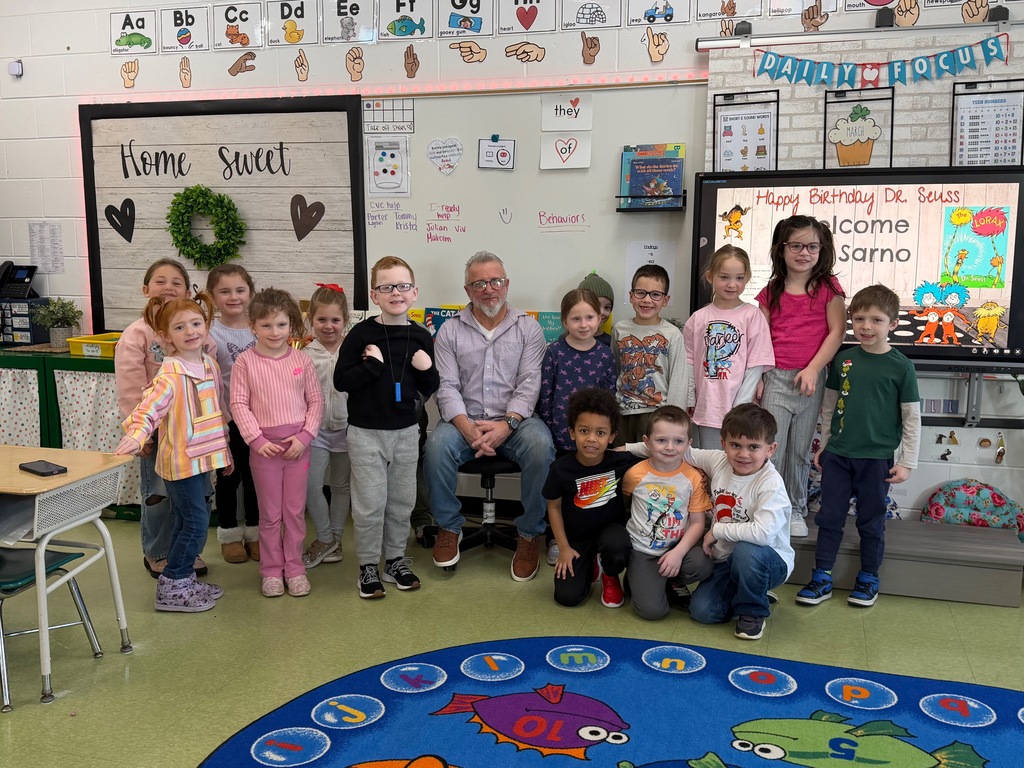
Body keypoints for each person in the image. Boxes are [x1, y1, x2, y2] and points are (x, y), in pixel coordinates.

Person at [424, 250, 555, 581]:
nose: (489, 289)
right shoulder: (449, 331)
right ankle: (448, 527)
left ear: (507, 284)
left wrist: (506, 425)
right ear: (467, 290)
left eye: (495, 281)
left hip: (516, 422)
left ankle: (528, 535)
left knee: (542, 447)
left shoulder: (529, 329)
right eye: (479, 283)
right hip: (463, 421)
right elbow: (447, 388)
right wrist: (468, 429)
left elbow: (529, 386)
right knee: (436, 446)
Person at [796, 285, 920, 608]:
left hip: (876, 460)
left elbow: (911, 419)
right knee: (829, 516)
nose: (866, 326)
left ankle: (868, 577)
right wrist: (823, 444)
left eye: (876, 320)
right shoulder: (844, 360)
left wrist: (907, 462)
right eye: (860, 318)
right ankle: (821, 576)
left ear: (892, 323)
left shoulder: (901, 367)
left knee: (871, 520)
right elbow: (829, 406)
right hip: (838, 455)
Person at [115, 293, 230, 613]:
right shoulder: (170, 375)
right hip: (181, 463)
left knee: (189, 518)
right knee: (195, 522)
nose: (191, 331)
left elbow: (214, 414)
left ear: (206, 326)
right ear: (166, 337)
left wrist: (225, 453)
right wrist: (136, 436)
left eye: (196, 323)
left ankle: (182, 578)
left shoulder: (207, 363)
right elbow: (147, 411)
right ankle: (174, 582)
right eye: (180, 327)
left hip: (204, 459)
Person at [336, 257, 439, 598]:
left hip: (407, 433)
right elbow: (340, 380)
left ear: (414, 292)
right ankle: (368, 565)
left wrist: (424, 371)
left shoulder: (422, 336)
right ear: (374, 295)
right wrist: (371, 368)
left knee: (401, 501)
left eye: (402, 286)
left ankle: (395, 559)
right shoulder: (361, 334)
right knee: (369, 503)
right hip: (366, 433)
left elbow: (431, 383)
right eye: (386, 287)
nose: (396, 292)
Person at [115, 258, 213, 579]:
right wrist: (139, 431)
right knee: (158, 494)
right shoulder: (138, 334)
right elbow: (130, 384)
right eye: (160, 281)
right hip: (156, 434)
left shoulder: (197, 332)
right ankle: (158, 551)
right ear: (146, 290)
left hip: (192, 434)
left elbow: (209, 383)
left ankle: (184, 551)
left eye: (177, 282)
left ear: (189, 291)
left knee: (193, 497)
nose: (169, 287)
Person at [756, 215, 846, 538]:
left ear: (822, 250)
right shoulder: (770, 292)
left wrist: (812, 368)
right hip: (777, 378)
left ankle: (795, 507)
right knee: (772, 449)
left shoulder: (828, 289)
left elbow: (837, 333)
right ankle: (771, 506)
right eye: (796, 245)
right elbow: (760, 338)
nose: (804, 253)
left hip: (811, 379)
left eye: (812, 246)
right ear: (781, 250)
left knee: (799, 450)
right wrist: (761, 376)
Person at [231, 288, 324, 598]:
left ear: (292, 325)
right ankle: (271, 571)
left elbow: (315, 401)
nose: (274, 332)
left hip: (298, 447)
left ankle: (294, 568)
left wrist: (305, 436)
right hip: (265, 450)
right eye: (266, 325)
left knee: (295, 512)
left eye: (281, 325)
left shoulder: (302, 360)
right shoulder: (245, 362)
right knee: (270, 515)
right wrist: (256, 440)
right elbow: (239, 404)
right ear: (253, 326)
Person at [684, 404, 794, 640]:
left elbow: (763, 534)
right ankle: (753, 590)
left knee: (746, 551)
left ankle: (753, 612)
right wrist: (630, 449)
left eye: (753, 447)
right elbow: (680, 450)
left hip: (769, 560)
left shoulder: (770, 484)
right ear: (723, 444)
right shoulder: (719, 461)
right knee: (702, 611)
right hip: (727, 561)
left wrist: (717, 530)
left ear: (770, 449)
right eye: (736, 445)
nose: (743, 454)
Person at [542, 388, 638, 609]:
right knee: (567, 597)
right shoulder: (560, 468)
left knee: (618, 544)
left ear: (612, 436)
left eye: (601, 433)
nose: (591, 439)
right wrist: (564, 548)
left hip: (610, 532)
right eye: (584, 431)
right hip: (577, 539)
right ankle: (589, 565)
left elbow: (655, 452)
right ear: (572, 432)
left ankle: (610, 575)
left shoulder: (620, 461)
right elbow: (554, 507)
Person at [623, 406, 713, 621]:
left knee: (703, 564)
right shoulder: (635, 474)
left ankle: (672, 580)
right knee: (653, 612)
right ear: (647, 442)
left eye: (678, 441)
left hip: (676, 549)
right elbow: (621, 505)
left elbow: (698, 523)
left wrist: (679, 553)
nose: (670, 447)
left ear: (689, 444)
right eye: (661, 440)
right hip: (643, 551)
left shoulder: (693, 478)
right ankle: (637, 578)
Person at [684, 245, 774, 449]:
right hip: (705, 410)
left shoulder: (752, 316)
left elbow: (755, 365)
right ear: (710, 276)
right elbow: (689, 363)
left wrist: (739, 409)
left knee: (736, 465)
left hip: (739, 413)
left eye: (739, 278)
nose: (732, 284)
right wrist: (690, 399)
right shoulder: (698, 319)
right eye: (724, 277)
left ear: (747, 278)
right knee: (706, 465)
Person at [206, 264, 260, 564]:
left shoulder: (260, 326)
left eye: (240, 290)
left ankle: (255, 533)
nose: (233, 297)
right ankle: (228, 534)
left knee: (256, 477)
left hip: (260, 419)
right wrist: (224, 419)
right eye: (224, 291)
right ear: (212, 296)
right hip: (226, 419)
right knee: (228, 477)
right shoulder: (210, 332)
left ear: (250, 292)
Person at [301, 284, 352, 569]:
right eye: (322, 320)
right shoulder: (306, 355)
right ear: (311, 320)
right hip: (316, 431)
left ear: (345, 320)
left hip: (347, 430)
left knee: (342, 486)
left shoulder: (353, 351)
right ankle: (324, 537)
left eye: (335, 320)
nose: (328, 326)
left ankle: (336, 539)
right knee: (311, 487)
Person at [613, 263, 687, 444]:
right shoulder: (620, 329)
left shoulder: (672, 334)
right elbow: (615, 368)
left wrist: (673, 420)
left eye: (655, 294)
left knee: (651, 464)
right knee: (622, 463)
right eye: (641, 293)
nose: (647, 300)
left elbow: (679, 379)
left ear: (665, 299)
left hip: (656, 415)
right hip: (623, 412)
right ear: (631, 296)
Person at [539, 288, 616, 455]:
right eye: (576, 319)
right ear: (565, 321)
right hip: (559, 437)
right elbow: (545, 397)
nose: (583, 325)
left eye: (589, 317)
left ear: (599, 318)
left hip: (594, 440)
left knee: (590, 480)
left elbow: (610, 398)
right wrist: (547, 430)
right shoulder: (554, 352)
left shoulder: (606, 354)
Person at [578, 270, 615, 346]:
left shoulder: (611, 342)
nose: (602, 312)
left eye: (607, 307)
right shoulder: (566, 340)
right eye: (596, 305)